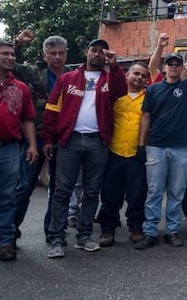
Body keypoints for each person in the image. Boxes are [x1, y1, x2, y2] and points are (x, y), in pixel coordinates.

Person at [41, 39, 127, 258]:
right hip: (69, 141)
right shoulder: (67, 79)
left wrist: (115, 66)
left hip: (98, 142)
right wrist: (49, 139)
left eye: (102, 52)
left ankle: (84, 236)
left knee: (91, 191)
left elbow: (121, 91)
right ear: (86, 52)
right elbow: (52, 110)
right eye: (94, 50)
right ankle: (57, 239)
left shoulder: (110, 78)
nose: (97, 55)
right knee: (62, 192)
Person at [134, 26, 187, 250]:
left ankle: (173, 230)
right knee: (155, 191)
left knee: (177, 192)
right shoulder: (154, 88)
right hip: (155, 146)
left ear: (182, 68)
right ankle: (150, 232)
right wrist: (141, 143)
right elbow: (146, 116)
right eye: (171, 63)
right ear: (165, 67)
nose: (174, 67)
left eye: (178, 64)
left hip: (181, 148)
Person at [11, 31, 81, 245]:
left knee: (59, 191)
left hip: (65, 141)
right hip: (36, 139)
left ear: (66, 55)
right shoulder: (33, 73)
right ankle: (10, 231)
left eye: (61, 53)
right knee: (24, 186)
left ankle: (53, 231)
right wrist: (17, 44)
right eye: (52, 53)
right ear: (45, 56)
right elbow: (9, 65)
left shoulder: (75, 76)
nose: (57, 57)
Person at [0, 40, 38, 261]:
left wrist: (33, 145)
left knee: (6, 198)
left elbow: (27, 118)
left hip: (9, 149)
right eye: (4, 54)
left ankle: (3, 243)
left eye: (12, 54)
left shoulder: (21, 88)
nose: (10, 57)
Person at [96, 62, 150, 247]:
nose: (139, 78)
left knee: (137, 193)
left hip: (137, 152)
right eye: (136, 73)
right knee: (111, 193)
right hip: (114, 151)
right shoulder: (115, 95)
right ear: (127, 75)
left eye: (144, 76)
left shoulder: (149, 98)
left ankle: (135, 228)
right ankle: (107, 230)